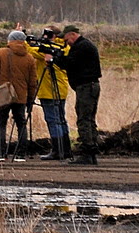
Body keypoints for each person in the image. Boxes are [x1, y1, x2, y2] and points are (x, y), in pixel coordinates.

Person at [0, 30, 38, 162]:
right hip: (21, 96)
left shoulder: (2, 53)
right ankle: (21, 154)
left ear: (10, 40)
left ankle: (1, 153)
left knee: (1, 123)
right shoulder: (30, 58)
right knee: (21, 123)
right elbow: (33, 82)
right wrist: (30, 99)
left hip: (4, 94)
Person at [58, 24, 102, 165]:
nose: (66, 43)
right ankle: (91, 151)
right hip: (89, 86)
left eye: (66, 39)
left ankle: (87, 152)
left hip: (86, 87)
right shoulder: (85, 46)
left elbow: (70, 63)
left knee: (84, 119)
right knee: (89, 119)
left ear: (72, 34)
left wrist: (54, 59)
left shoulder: (81, 47)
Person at [31, 26, 71, 160]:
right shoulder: (65, 47)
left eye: (48, 34)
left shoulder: (49, 51)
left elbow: (29, 50)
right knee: (61, 119)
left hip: (49, 90)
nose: (44, 36)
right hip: (61, 89)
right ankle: (66, 150)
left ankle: (57, 150)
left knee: (53, 120)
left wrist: (20, 37)